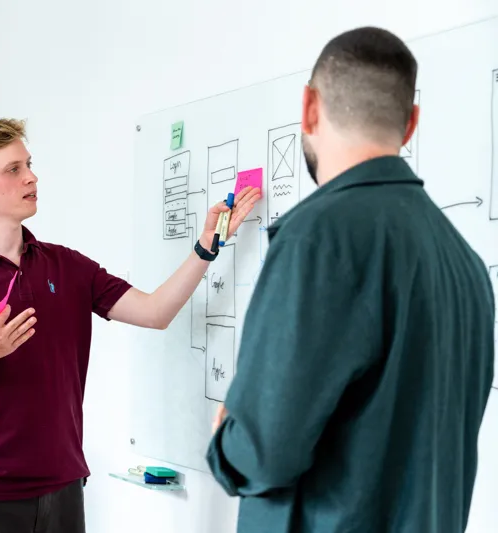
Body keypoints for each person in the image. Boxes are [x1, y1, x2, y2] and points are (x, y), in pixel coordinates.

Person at [0, 118, 261, 532]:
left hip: (63, 488)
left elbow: (155, 312)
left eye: (29, 164)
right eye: (13, 169)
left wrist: (206, 246)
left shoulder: (67, 265)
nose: (31, 177)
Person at [206, 26, 495, 533]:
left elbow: (262, 453)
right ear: (411, 124)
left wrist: (229, 435)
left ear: (310, 108)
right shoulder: (466, 265)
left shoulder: (317, 240)